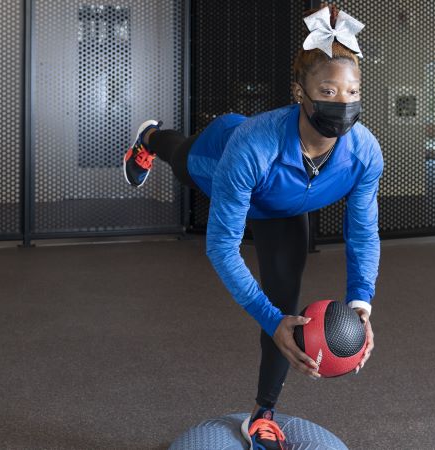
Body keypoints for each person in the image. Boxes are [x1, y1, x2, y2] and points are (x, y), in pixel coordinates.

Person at [121, 5, 381, 449]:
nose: (343, 102)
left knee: (287, 307)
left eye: (352, 91)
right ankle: (149, 139)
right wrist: (266, 317)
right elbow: (222, 248)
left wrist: (361, 302)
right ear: (300, 91)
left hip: (280, 209)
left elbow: (362, 233)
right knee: (181, 158)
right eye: (329, 90)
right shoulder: (251, 147)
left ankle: (263, 414)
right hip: (219, 153)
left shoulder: (365, 153)